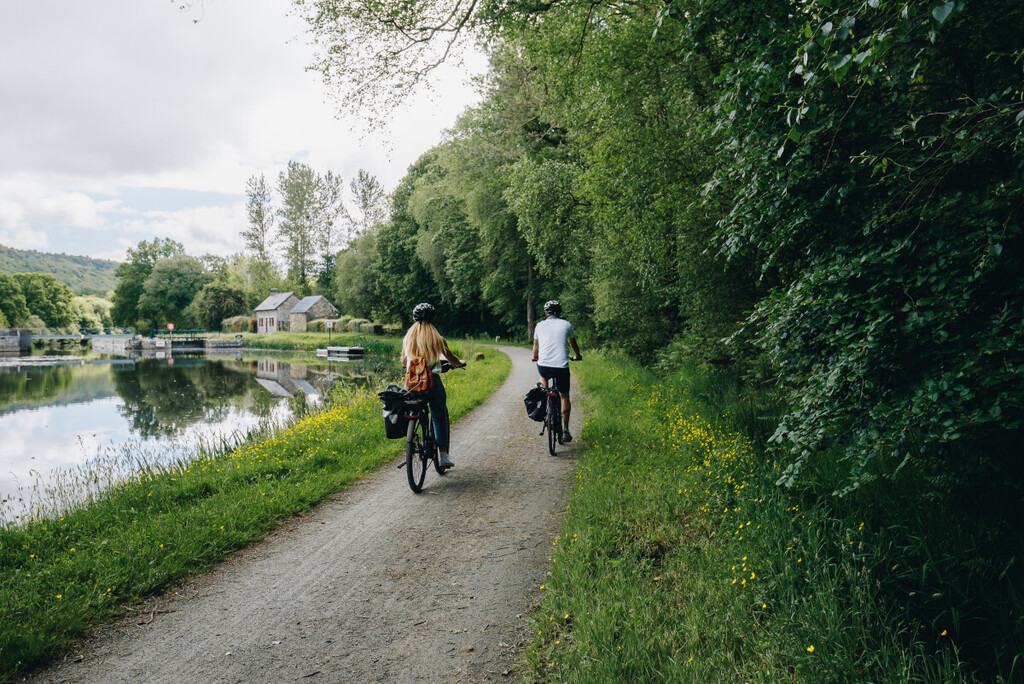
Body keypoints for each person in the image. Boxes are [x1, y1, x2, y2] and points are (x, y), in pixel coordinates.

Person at [401, 303, 466, 469]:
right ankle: (443, 456)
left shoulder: (408, 337)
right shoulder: (436, 338)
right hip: (432, 383)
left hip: (412, 384)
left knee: (413, 409)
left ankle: (412, 436)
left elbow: (403, 360)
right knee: (438, 416)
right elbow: (451, 358)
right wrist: (459, 363)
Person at [532, 300, 582, 442]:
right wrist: (577, 356)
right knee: (564, 396)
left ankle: (545, 394)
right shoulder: (566, 324)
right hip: (561, 366)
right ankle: (565, 430)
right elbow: (573, 344)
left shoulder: (540, 325)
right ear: (559, 312)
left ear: (546, 313)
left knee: (543, 375)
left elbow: (536, 347)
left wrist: (535, 357)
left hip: (544, 366)